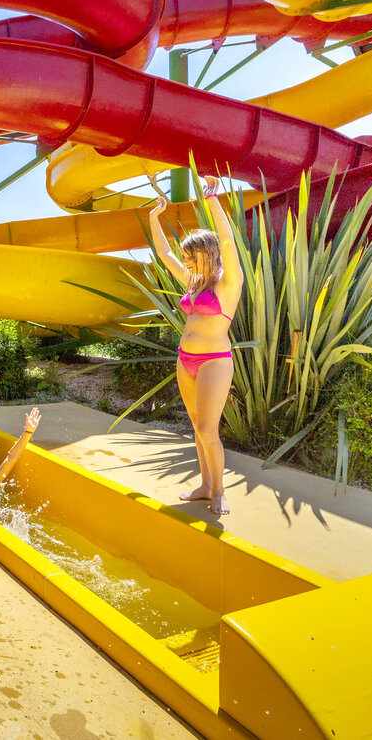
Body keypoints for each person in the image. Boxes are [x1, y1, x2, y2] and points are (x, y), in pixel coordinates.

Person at [148, 175, 243, 516]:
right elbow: (164, 253)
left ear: (207, 254)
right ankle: (205, 485)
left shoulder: (229, 283)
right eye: (185, 257)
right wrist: (154, 217)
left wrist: (212, 198)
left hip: (214, 361)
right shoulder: (193, 283)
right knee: (195, 426)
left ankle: (220, 490)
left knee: (207, 429)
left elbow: (228, 241)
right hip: (185, 359)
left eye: (190, 256)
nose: (185, 262)